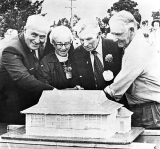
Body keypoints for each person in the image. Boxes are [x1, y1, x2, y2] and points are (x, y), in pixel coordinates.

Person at [104, 10, 160, 128]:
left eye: (118, 34)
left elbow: (115, 90)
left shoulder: (137, 50)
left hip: (149, 110)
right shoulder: (135, 45)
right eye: (113, 34)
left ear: (132, 30)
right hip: (148, 108)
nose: (114, 39)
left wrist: (92, 100)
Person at [0, 15, 53, 124]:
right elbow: (25, 80)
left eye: (42, 36)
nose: (37, 40)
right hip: (9, 108)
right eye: (34, 35)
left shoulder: (40, 44)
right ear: (24, 30)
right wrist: (56, 92)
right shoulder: (10, 49)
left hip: (29, 103)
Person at [73, 18, 123, 90]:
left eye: (89, 39)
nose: (85, 44)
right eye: (81, 40)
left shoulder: (116, 47)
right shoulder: (77, 54)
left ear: (99, 34)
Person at [38, 26, 82, 90]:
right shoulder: (45, 63)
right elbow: (45, 89)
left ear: (71, 42)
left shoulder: (76, 58)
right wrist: (68, 91)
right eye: (59, 44)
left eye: (66, 43)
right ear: (53, 43)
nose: (63, 48)